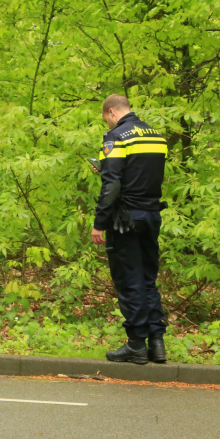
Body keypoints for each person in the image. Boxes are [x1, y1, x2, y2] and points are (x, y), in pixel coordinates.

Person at [91, 94, 168, 365]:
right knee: (148, 278)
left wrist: (100, 222)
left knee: (128, 279)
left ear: (111, 112)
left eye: (106, 118)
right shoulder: (156, 136)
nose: (107, 123)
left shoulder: (117, 137)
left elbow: (112, 185)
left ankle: (136, 344)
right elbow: (141, 175)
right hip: (151, 215)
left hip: (125, 220)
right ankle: (157, 344)